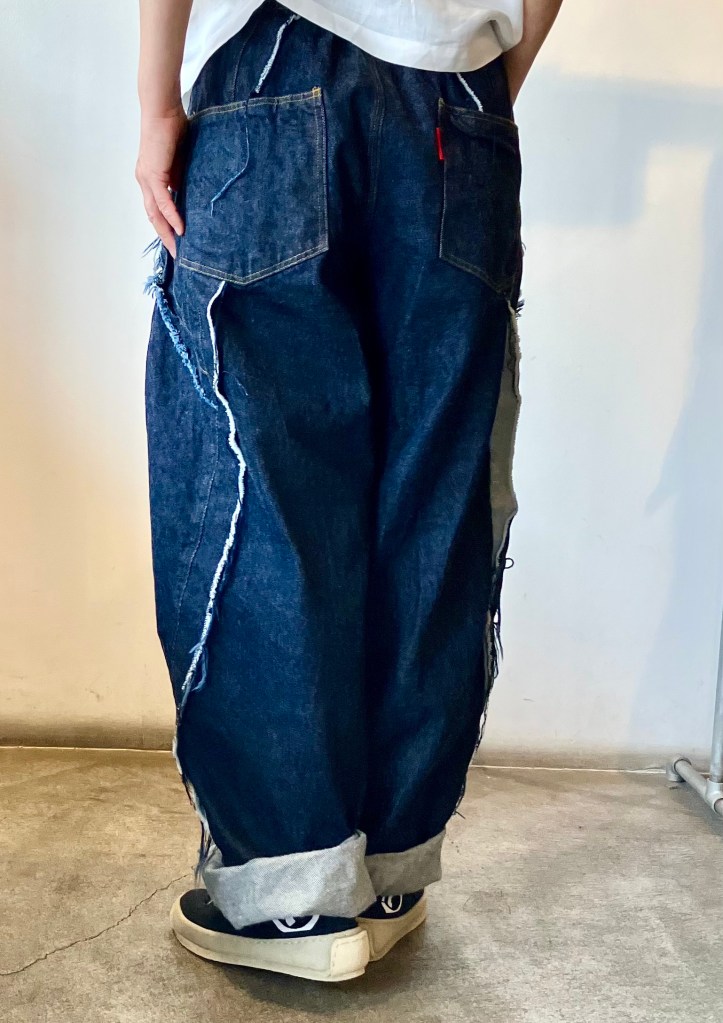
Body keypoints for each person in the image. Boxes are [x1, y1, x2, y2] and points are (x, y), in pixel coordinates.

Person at [136, 0, 562, 983]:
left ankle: (289, 895)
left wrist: (158, 108)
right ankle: (391, 868)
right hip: (460, 99)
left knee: (263, 495)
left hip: (275, 69)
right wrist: (478, 83)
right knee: (434, 499)